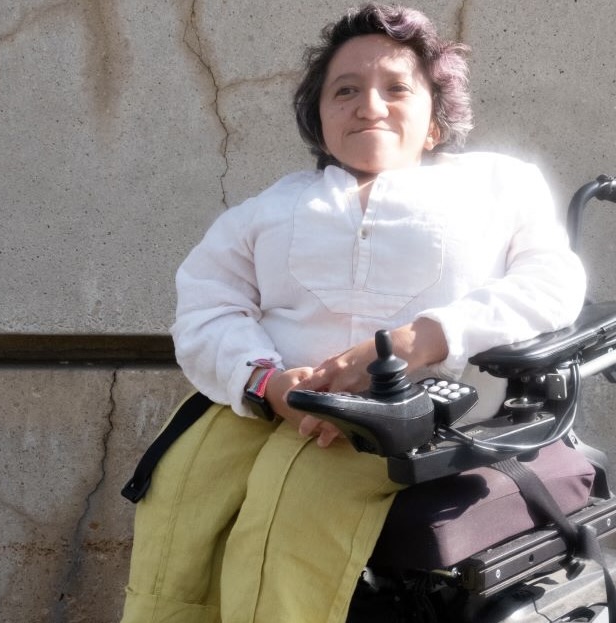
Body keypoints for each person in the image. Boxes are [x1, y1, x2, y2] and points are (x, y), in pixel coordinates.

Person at [120, 3, 586, 622]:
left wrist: (420, 339)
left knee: (294, 503)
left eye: (396, 88)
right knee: (180, 498)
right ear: (320, 118)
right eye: (346, 91)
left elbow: (551, 282)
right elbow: (206, 307)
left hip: (416, 412)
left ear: (435, 122)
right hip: (267, 398)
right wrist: (267, 382)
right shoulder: (271, 208)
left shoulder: (499, 186)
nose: (369, 105)